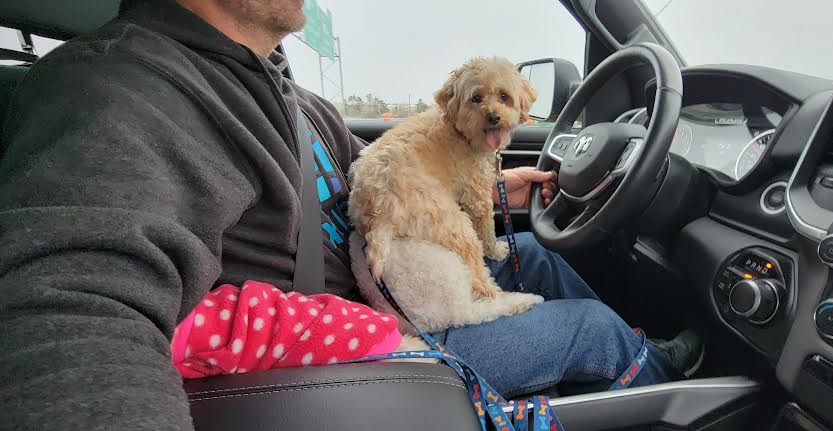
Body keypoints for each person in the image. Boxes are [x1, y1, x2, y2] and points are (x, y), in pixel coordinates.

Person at [0, 0, 702, 428]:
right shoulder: (122, 93)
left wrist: (494, 191)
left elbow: (391, 184)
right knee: (590, 326)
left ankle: (637, 347)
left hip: (392, 283)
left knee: (537, 256)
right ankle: (653, 371)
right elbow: (69, 322)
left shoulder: (291, 96)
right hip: (368, 350)